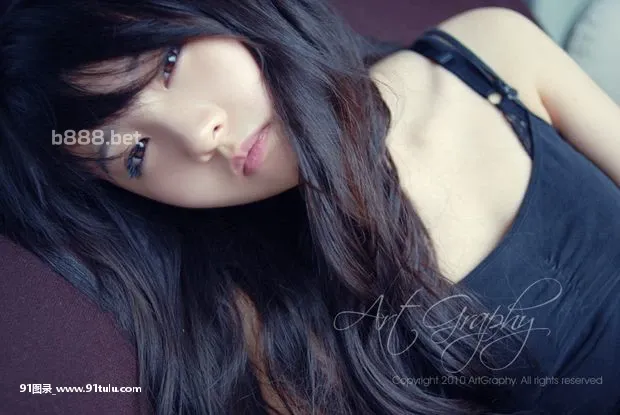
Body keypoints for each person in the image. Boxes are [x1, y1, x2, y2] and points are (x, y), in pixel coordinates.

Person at [0, 1, 619, 414]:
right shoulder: (260, 332)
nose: (198, 134)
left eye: (168, 63)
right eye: (134, 155)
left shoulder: (488, 52)